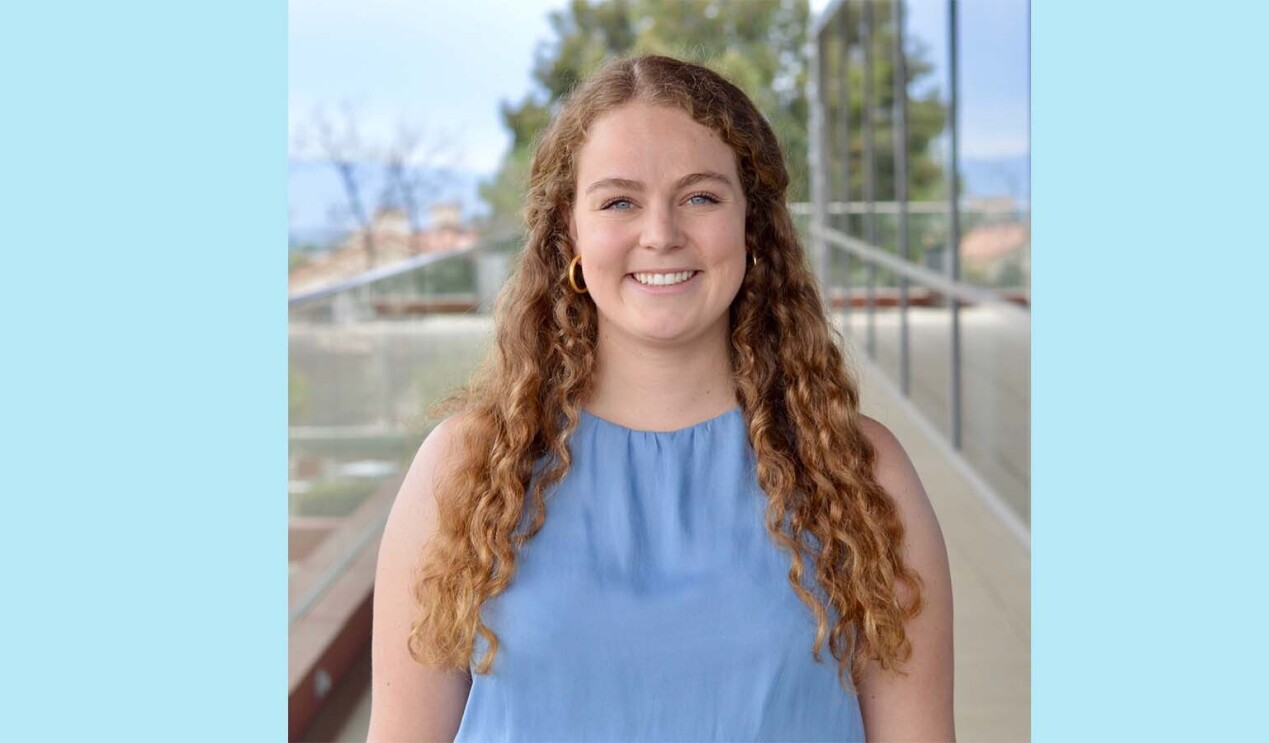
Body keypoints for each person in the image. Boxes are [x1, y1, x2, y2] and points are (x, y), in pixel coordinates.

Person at [367, 55, 954, 742]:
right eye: (619, 201)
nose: (661, 234)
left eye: (700, 197)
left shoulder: (863, 473)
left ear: (752, 225)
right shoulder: (463, 470)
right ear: (569, 232)